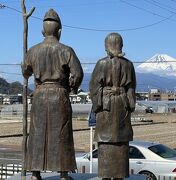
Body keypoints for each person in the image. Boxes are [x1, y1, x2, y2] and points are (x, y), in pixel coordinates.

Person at [21, 9, 83, 180]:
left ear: (43, 31)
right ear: (60, 31)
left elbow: (25, 72)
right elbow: (78, 74)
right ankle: (63, 174)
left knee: (37, 133)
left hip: (40, 95)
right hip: (59, 95)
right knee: (62, 134)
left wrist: (25, 64)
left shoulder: (32, 51)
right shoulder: (66, 50)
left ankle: (35, 173)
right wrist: (71, 87)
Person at [89, 33, 136, 180]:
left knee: (105, 140)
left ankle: (105, 175)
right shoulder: (128, 64)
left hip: (106, 106)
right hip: (122, 104)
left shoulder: (101, 64)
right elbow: (132, 88)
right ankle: (119, 175)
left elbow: (93, 87)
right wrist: (130, 103)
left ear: (106, 46)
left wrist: (98, 101)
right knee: (121, 140)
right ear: (121, 45)